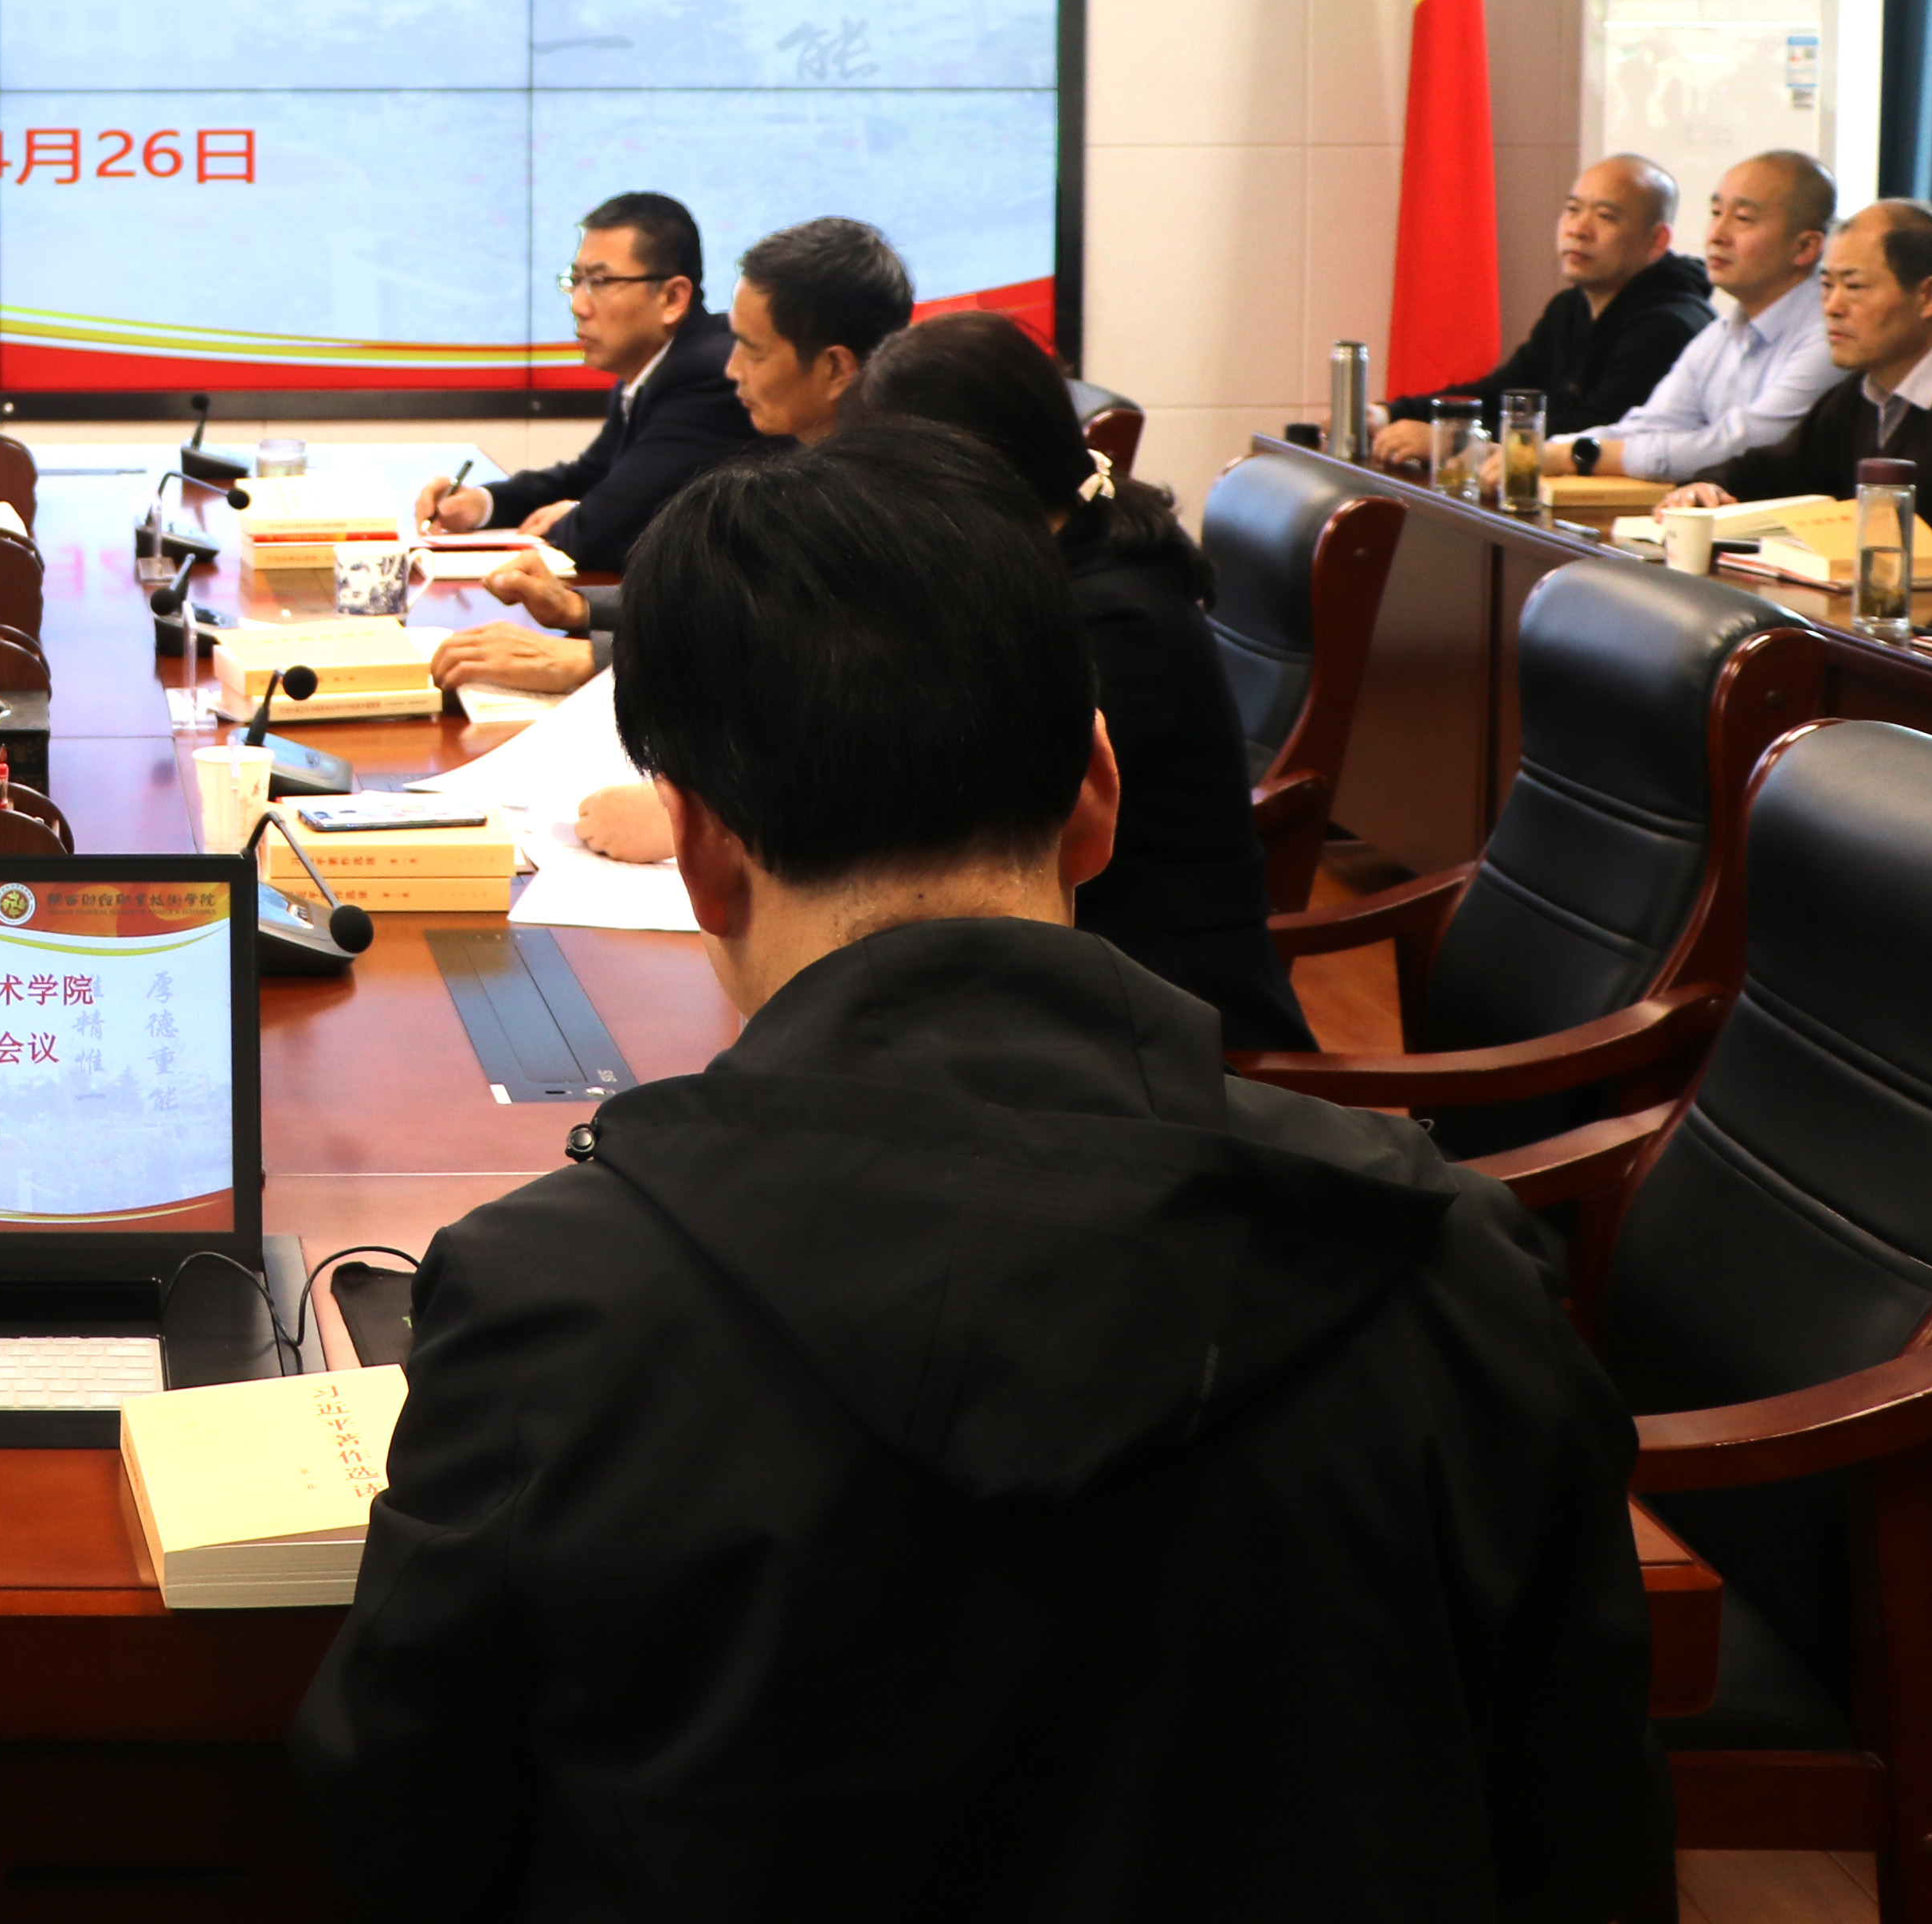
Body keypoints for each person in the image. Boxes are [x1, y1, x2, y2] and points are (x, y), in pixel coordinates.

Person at [292, 433, 1665, 1921]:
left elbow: (403, 1831)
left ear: (700, 856)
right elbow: (1581, 1833)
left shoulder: (552, 1305)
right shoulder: (1448, 1265)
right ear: (1097, 796)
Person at [838, 312, 1309, 1048]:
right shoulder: (1040, 563)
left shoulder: (1115, 621)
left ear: (973, 473)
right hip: (1059, 979)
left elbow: (980, 825)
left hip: (1163, 1028)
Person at [428, 215, 912, 701]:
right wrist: (581, 607)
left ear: (835, 368)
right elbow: (739, 605)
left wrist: (592, 660)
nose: (732, 369)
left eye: (752, 350)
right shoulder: (831, 464)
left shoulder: (882, 497)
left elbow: (808, 653)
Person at [1665, 198, 1932, 601]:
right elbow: (1774, 470)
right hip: (1883, 615)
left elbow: (1899, 539)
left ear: (1929, 296)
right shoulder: (1862, 392)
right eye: (1827, 286)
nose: (1832, 308)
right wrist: (1708, 488)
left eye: (1854, 287)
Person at [409, 193, 758, 575]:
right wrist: (481, 504)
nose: (578, 305)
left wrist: (575, 516)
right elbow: (589, 476)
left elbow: (603, 535)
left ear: (673, 298)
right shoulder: (652, 367)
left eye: (601, 281)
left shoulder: (706, 375)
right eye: (576, 280)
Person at [1371, 155, 1713, 470]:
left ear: (1657, 241)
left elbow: (1596, 435)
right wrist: (1389, 414)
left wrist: (1458, 440)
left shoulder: (1669, 325)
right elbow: (1506, 394)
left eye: (1605, 217)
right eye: (1573, 209)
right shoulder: (1569, 307)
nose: (1579, 229)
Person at [1577, 148, 1837, 484]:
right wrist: (1539, 450)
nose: (1717, 235)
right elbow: (1652, 425)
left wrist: (1586, 456)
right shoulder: (1720, 334)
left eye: (1743, 218)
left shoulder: (1830, 335)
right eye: (1716, 213)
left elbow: (1742, 445)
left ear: (1805, 248)